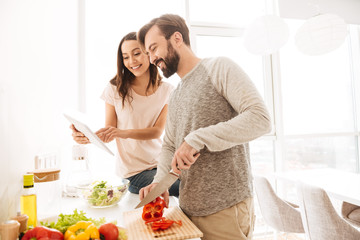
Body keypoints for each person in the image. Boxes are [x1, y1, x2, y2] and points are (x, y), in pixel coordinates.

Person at [137, 14, 271, 240]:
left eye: (154, 48)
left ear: (177, 38)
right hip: (188, 210)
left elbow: (260, 119)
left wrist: (197, 138)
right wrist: (159, 183)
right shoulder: (176, 94)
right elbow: (169, 145)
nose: (151, 59)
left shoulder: (219, 67)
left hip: (225, 209)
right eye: (148, 53)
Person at [70, 32, 179, 196]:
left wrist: (122, 133)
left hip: (162, 165)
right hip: (135, 174)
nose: (131, 61)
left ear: (149, 53)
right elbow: (110, 131)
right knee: (185, 187)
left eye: (136, 54)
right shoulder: (115, 88)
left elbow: (156, 131)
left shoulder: (167, 90)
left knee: (196, 178)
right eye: (125, 57)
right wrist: (88, 137)